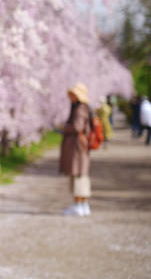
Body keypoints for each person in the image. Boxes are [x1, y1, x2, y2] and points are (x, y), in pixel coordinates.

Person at [59, 83, 92, 216]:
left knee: (78, 173)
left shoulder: (79, 109)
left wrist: (64, 127)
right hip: (79, 145)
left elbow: (77, 127)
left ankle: (78, 204)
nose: (71, 97)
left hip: (77, 146)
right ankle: (82, 205)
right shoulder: (82, 108)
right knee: (81, 173)